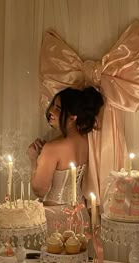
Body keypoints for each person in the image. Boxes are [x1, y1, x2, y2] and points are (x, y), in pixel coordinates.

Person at [27, 87, 104, 235]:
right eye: (53, 105)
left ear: (73, 117)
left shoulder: (52, 148)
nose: (51, 111)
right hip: (80, 215)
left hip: (55, 218)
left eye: (58, 108)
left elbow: (39, 190)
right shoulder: (87, 140)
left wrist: (33, 159)